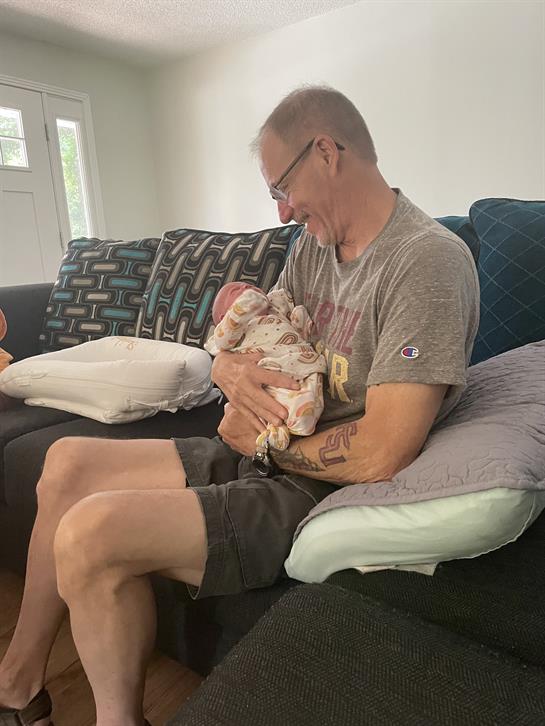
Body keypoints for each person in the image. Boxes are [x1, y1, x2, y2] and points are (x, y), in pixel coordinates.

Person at [0, 85, 479, 726]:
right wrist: (225, 365)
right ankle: (19, 684)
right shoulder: (313, 247)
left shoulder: (426, 262)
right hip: (262, 450)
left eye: (283, 187)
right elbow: (257, 327)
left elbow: (383, 451)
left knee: (90, 534)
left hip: (317, 489)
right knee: (64, 462)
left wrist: (265, 444)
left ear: (327, 152)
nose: (282, 211)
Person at [205, 281, 327, 451]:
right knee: (271, 399)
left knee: (307, 391)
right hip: (267, 368)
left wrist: (301, 322)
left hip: (299, 361)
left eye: (247, 285)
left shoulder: (275, 309)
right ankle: (277, 431)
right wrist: (241, 310)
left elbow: (295, 324)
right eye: (235, 290)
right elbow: (224, 340)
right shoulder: (233, 329)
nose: (245, 288)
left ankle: (298, 421)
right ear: (223, 317)